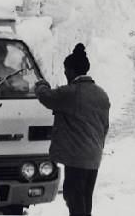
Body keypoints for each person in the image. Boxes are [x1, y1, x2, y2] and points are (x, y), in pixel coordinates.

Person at [35, 43, 110, 216]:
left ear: (71, 71)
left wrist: (41, 84)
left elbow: (46, 97)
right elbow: (105, 127)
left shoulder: (71, 92)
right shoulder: (101, 94)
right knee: (85, 198)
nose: (64, 73)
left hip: (76, 157)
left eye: (65, 70)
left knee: (73, 197)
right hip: (94, 156)